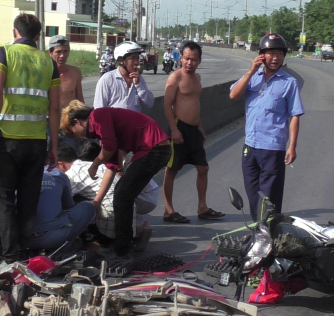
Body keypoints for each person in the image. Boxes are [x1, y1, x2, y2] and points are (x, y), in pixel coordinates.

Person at [0, 13, 62, 261]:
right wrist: (54, 146)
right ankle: (25, 251)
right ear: (38, 36)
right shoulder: (49, 62)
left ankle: (9, 258)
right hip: (37, 142)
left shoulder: (3, 52)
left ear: (15, 32)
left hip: (8, 140)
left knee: (4, 199)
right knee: (29, 200)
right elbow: (55, 108)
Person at [60, 101, 171, 257]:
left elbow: (110, 148)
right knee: (121, 195)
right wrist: (97, 201)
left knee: (122, 197)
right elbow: (111, 166)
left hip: (155, 149)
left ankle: (122, 249)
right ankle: (125, 242)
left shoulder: (98, 116)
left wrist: (94, 165)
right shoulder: (103, 130)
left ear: (77, 121)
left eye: (73, 132)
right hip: (154, 150)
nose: (78, 137)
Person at [229, 33, 304, 219]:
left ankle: (270, 233)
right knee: (252, 193)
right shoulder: (253, 78)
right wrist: (250, 71)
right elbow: (233, 95)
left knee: (270, 196)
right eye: (270, 53)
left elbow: (294, 115)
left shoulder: (289, 83)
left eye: (279, 53)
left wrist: (292, 147)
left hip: (272, 148)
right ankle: (259, 232)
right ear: (262, 55)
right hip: (250, 146)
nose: (275, 57)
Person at [162, 40, 222, 224]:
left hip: (194, 130)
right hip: (179, 128)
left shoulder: (198, 78)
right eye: (186, 59)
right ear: (180, 58)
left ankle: (202, 207)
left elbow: (195, 105)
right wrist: (173, 129)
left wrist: (200, 127)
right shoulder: (175, 78)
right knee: (171, 170)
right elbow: (167, 105)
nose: (189, 63)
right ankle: (169, 210)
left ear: (199, 61)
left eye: (193, 59)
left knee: (203, 168)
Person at [57, 142, 158, 250]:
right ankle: (136, 231)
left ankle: (94, 242)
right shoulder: (94, 165)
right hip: (127, 215)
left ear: (61, 164)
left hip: (111, 225)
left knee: (75, 203)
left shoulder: (70, 175)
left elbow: (61, 201)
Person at [23, 165, 96, 253]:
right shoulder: (56, 173)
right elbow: (68, 205)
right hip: (53, 237)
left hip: (17, 239)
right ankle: (64, 249)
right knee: (88, 207)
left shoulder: (12, 174)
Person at [94, 41, 155, 112]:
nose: (137, 62)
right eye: (132, 59)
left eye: (137, 58)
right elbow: (99, 110)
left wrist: (139, 86)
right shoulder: (107, 79)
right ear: (121, 61)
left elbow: (149, 103)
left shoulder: (139, 79)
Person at [48, 34, 84, 107]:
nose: (62, 55)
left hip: (69, 117)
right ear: (50, 53)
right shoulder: (44, 73)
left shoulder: (75, 72)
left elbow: (80, 100)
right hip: (48, 117)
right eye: (58, 52)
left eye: (65, 51)